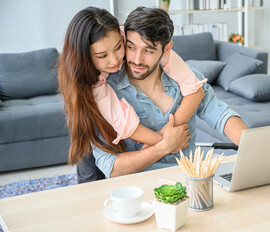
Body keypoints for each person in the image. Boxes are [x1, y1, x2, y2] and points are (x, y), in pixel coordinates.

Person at [90, 6, 248, 179]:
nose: (136, 59)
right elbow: (110, 167)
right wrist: (164, 146)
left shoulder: (187, 79)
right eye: (131, 47)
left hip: (189, 182)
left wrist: (253, 148)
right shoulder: (106, 94)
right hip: (137, 189)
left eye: (148, 50)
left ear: (166, 49)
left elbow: (221, 116)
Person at [58, 6, 208, 181]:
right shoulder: (90, 83)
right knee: (90, 177)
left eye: (118, 47)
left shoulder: (133, 39)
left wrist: (164, 138)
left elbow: (193, 87)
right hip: (86, 114)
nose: (114, 60)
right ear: (85, 56)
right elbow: (126, 125)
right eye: (102, 55)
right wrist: (165, 141)